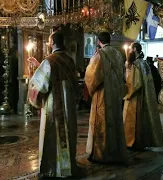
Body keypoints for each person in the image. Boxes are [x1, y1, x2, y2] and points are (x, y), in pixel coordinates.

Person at [27, 31, 79, 178]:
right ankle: (68, 165)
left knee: (54, 134)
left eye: (49, 42)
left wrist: (32, 80)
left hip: (54, 105)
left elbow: (40, 85)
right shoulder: (69, 59)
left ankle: (55, 168)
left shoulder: (49, 61)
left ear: (52, 43)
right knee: (68, 132)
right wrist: (39, 65)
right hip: (68, 104)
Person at [85, 32, 129, 164]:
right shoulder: (118, 54)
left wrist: (90, 90)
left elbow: (92, 77)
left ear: (99, 41)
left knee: (102, 122)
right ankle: (115, 150)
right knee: (114, 120)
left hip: (103, 94)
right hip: (115, 94)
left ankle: (101, 153)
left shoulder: (99, 55)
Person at [123, 42, 163, 150]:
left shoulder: (136, 64)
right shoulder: (144, 63)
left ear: (135, 50)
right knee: (142, 120)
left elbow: (135, 83)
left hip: (136, 97)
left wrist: (127, 93)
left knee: (134, 121)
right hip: (144, 97)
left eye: (131, 49)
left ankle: (133, 142)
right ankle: (141, 141)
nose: (129, 51)